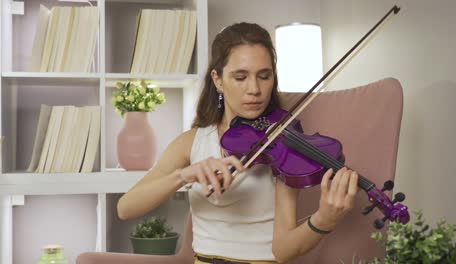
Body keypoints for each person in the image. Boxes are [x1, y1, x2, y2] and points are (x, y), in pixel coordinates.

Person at [117, 22, 359, 264]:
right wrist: (182, 176)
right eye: (240, 77)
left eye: (264, 76)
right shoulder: (192, 142)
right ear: (218, 80)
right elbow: (126, 208)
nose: (254, 89)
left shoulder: (282, 145)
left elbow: (283, 251)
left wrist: (323, 220)